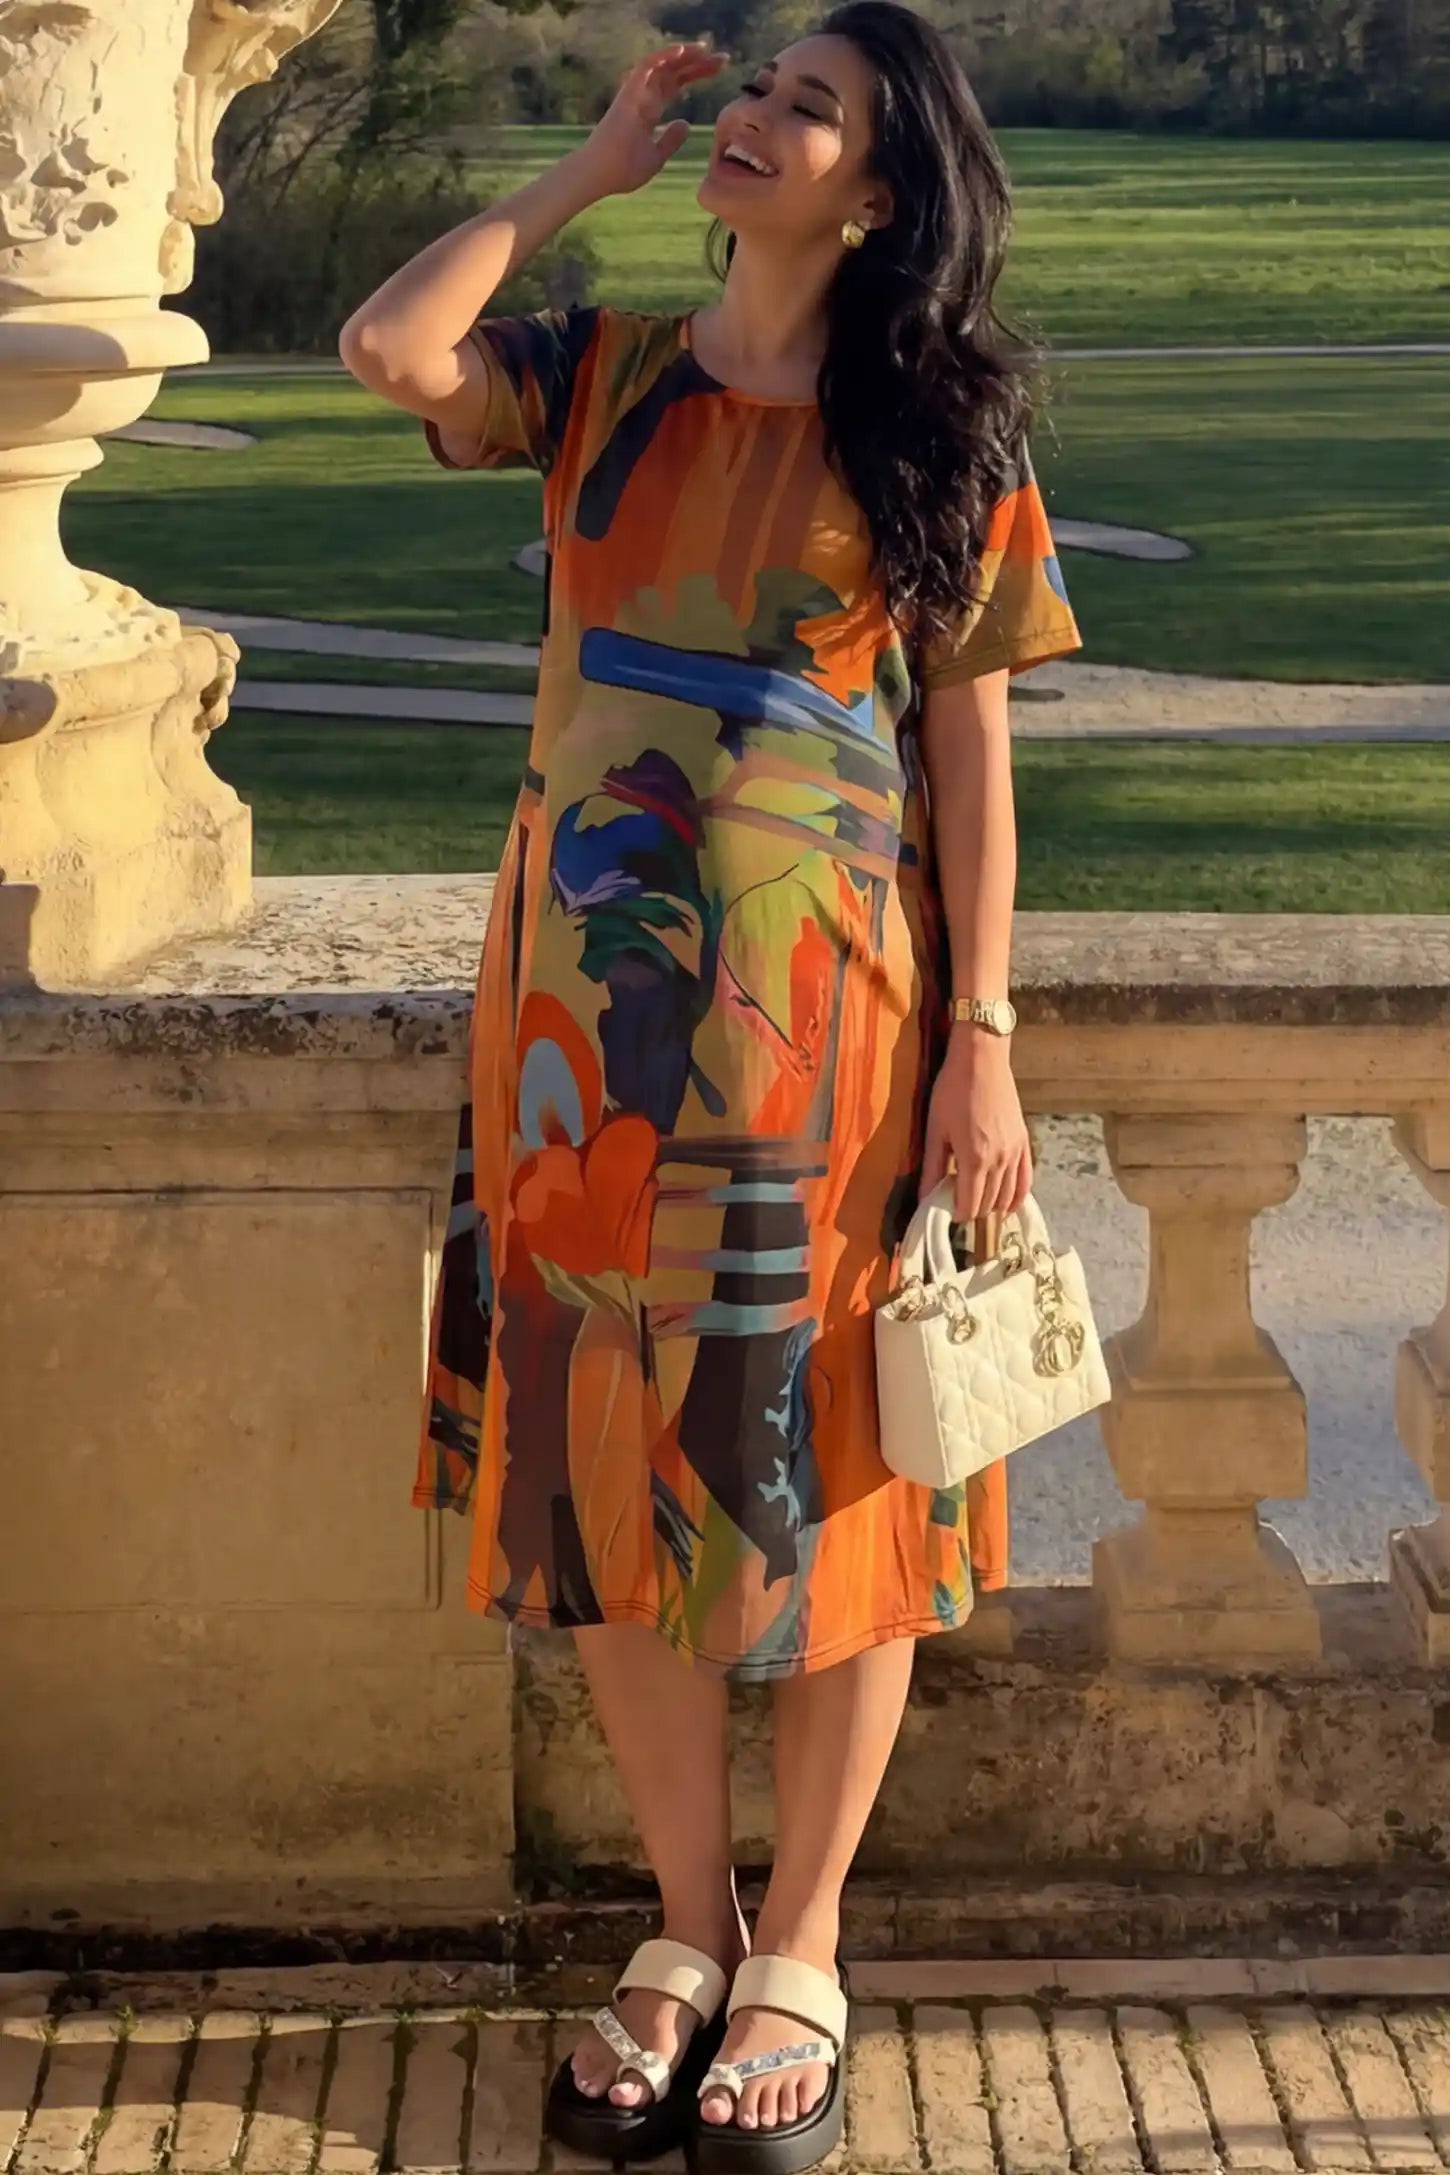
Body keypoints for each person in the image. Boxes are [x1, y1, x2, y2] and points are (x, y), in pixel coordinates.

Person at [340, 4, 1081, 2167]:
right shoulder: (601, 375)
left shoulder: (934, 425)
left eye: (801, 107)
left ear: (877, 185)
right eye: (746, 89)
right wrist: (586, 169)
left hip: (832, 1037)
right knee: (593, 1475)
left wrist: (985, 1040)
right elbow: (394, 350)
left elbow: (968, 751)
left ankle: (805, 1944)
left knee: (831, 1476)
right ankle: (682, 1927)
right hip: (576, 1035)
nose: (753, 118)